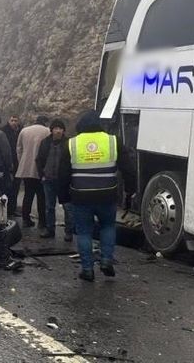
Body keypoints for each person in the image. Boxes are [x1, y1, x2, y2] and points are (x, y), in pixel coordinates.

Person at [64, 110, 120, 282]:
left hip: (81, 197)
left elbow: (63, 173)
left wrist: (63, 197)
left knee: (84, 232)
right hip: (107, 194)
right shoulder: (112, 140)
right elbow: (128, 165)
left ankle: (87, 270)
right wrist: (130, 189)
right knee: (108, 227)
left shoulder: (72, 143)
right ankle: (106, 260)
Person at [35, 119, 72, 240]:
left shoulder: (69, 143)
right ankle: (49, 229)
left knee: (67, 207)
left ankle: (69, 232)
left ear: (63, 130)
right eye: (56, 128)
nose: (58, 131)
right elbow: (39, 159)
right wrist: (42, 175)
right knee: (49, 206)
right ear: (51, 130)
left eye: (60, 128)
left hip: (64, 181)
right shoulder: (45, 142)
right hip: (48, 179)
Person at [16, 116, 50, 228]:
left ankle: (26, 219)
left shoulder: (24, 130)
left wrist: (22, 161)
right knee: (42, 196)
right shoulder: (47, 131)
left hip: (26, 167)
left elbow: (19, 148)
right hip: (41, 168)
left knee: (28, 194)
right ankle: (42, 221)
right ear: (45, 122)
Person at [0, 115, 22, 217]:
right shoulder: (3, 131)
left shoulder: (21, 131)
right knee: (5, 187)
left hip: (18, 162)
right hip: (5, 163)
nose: (13, 122)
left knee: (16, 187)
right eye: (12, 120)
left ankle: (12, 209)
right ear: (8, 121)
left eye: (15, 120)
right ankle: (4, 209)